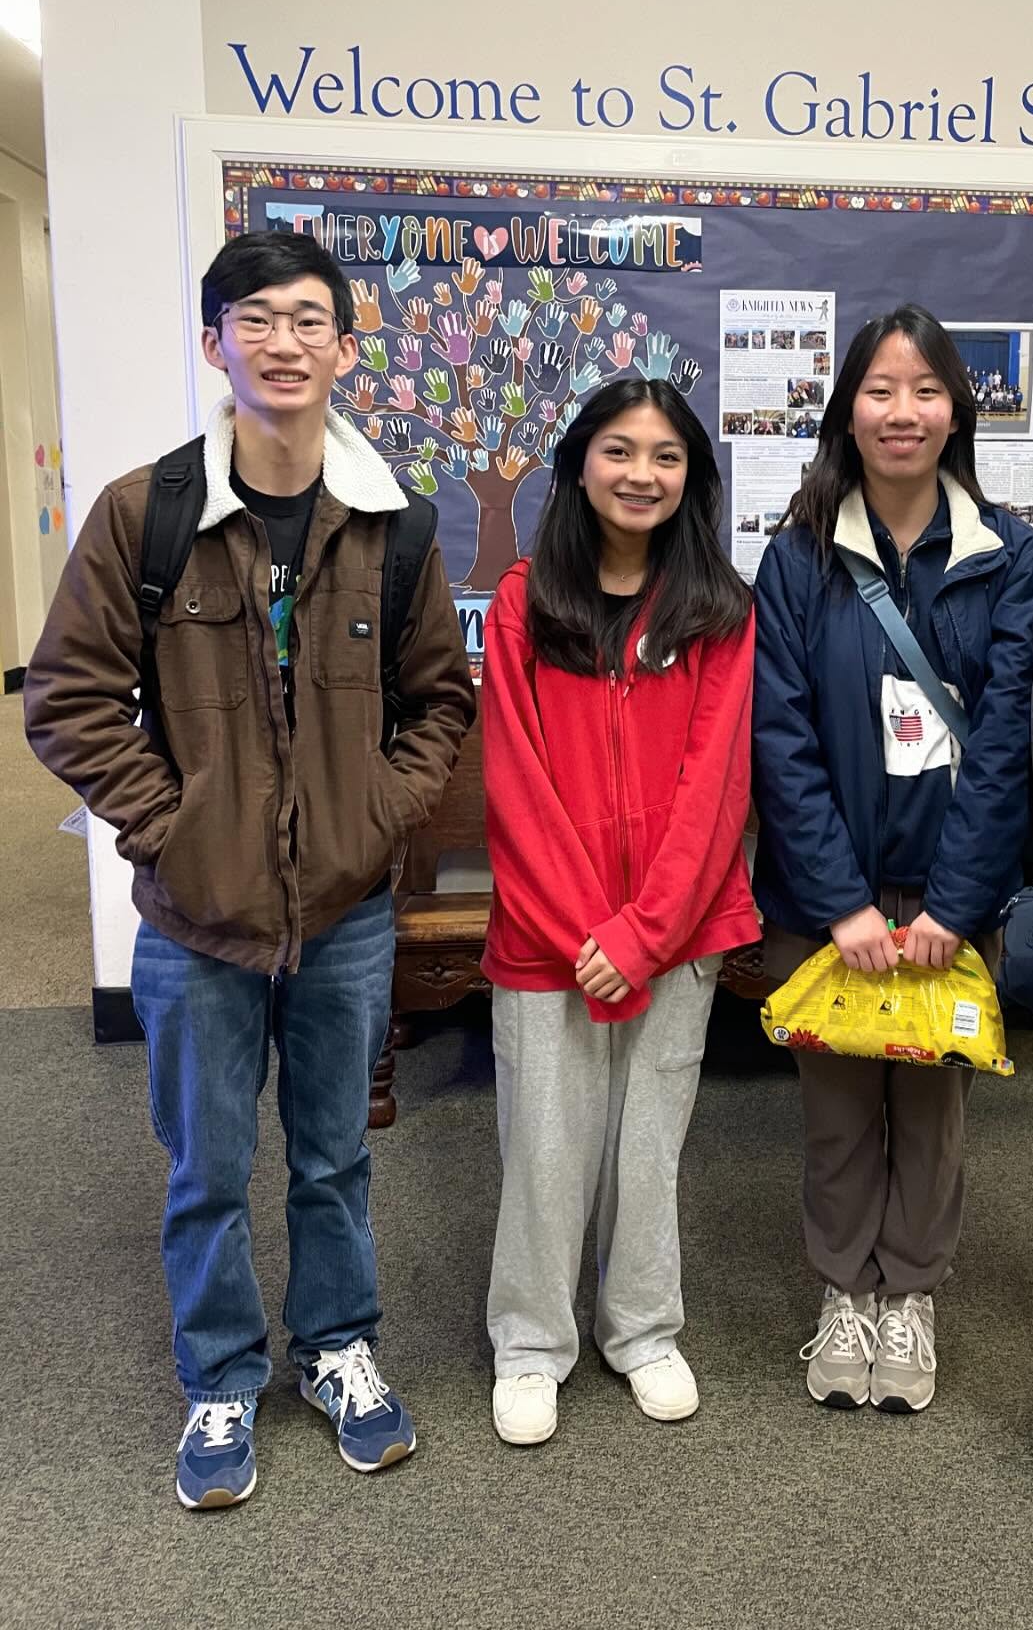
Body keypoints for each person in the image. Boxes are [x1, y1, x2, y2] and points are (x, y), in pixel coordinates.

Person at [24, 232, 476, 1509]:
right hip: (194, 922)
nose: (284, 342)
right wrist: (168, 825)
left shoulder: (394, 525)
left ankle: (339, 1350)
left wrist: (377, 815)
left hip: (345, 918)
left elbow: (439, 699)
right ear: (215, 340)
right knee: (207, 1168)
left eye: (309, 320)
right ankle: (220, 1376)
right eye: (255, 318)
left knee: (334, 1158)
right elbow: (64, 701)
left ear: (345, 347)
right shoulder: (144, 512)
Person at [751, 303, 1033, 1413]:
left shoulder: (1013, 559)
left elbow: (1011, 739)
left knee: (931, 1111)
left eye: (926, 390)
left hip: (946, 902)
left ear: (956, 410)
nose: (903, 411)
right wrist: (839, 906)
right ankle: (843, 1292)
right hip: (826, 904)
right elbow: (778, 739)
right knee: (836, 1111)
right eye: (879, 389)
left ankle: (910, 1297)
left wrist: (957, 903)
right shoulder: (795, 558)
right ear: (846, 409)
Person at [479, 376, 758, 1446]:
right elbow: (517, 780)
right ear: (580, 464)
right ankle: (533, 1341)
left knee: (650, 1142)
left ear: (691, 476)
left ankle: (641, 1327)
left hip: (678, 931)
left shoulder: (720, 609)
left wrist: (641, 934)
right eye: (619, 451)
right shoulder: (521, 602)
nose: (642, 474)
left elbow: (715, 787)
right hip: (551, 935)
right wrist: (585, 928)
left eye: (666, 456)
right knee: (545, 1146)